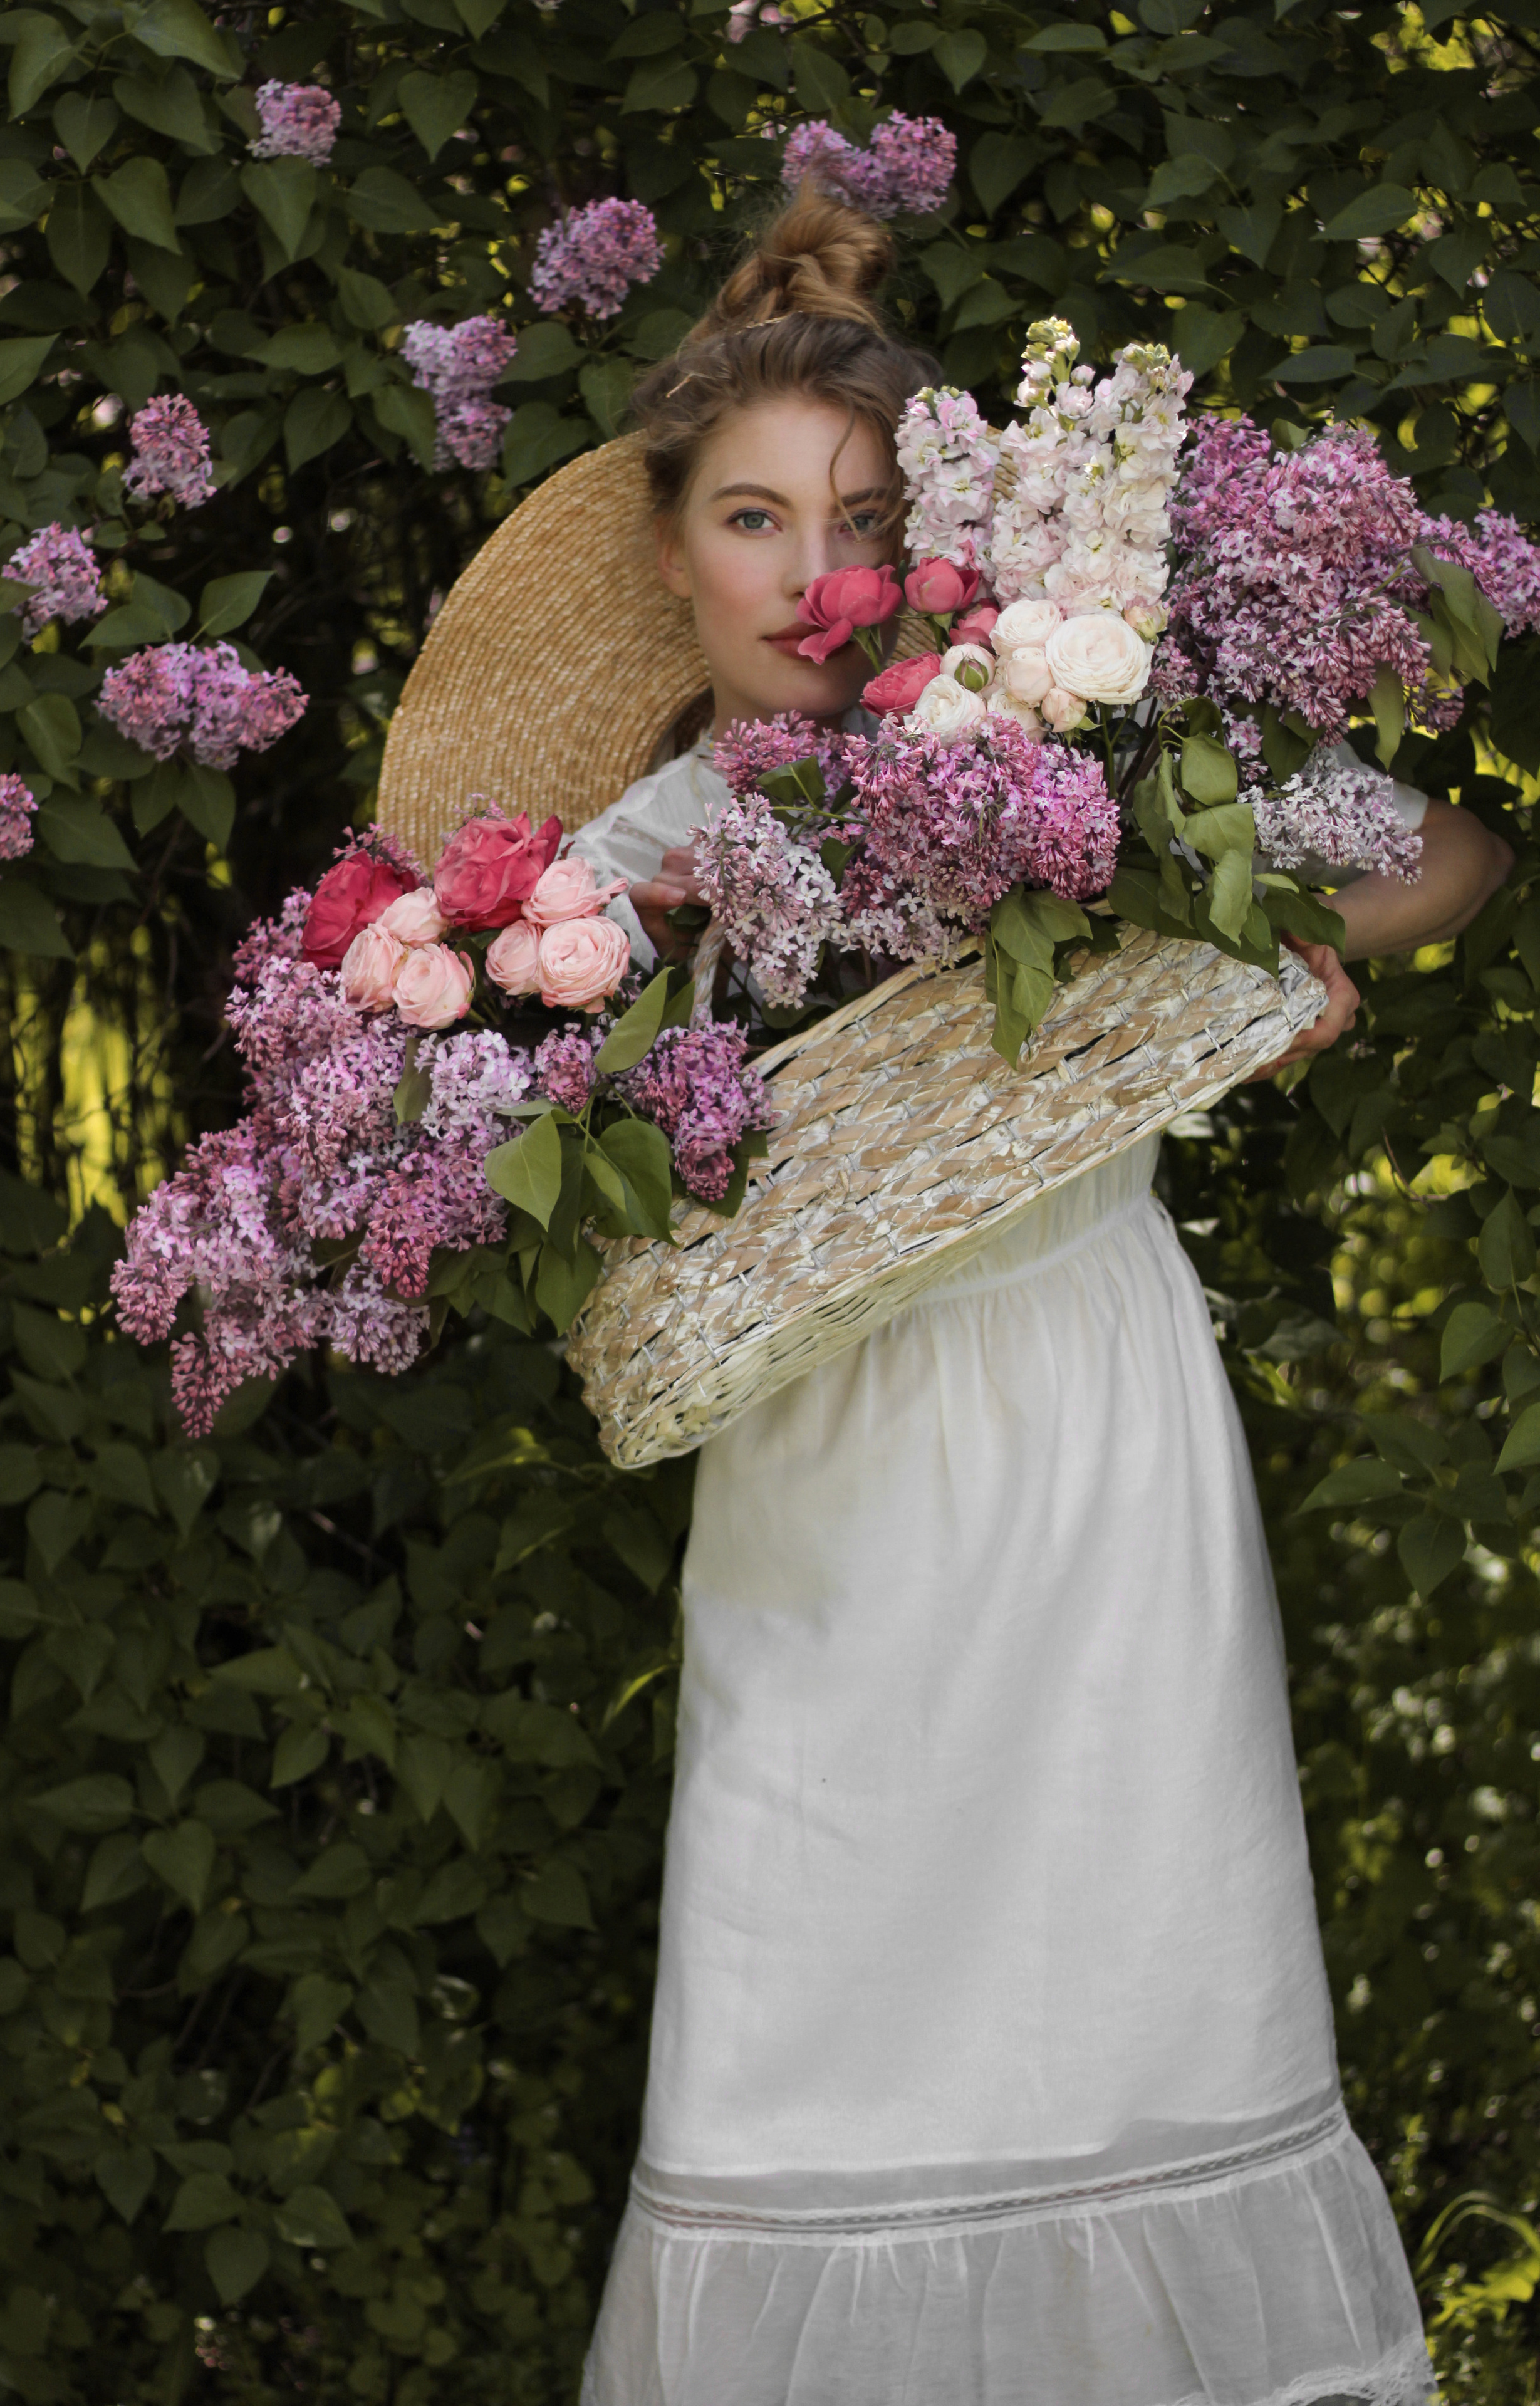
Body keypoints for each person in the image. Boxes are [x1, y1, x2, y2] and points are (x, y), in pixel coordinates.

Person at [566, 189, 1512, 2406]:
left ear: (935, 547)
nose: (811, 578)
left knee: (1138, 1995)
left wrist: (1263, 959)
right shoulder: (637, 854)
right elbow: (507, 1113)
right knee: (797, 2036)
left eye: (863, 519)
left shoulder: (1055, 762)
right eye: (751, 518)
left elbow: (1454, 856)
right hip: (826, 1480)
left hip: (1093, 1427)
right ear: (675, 549)